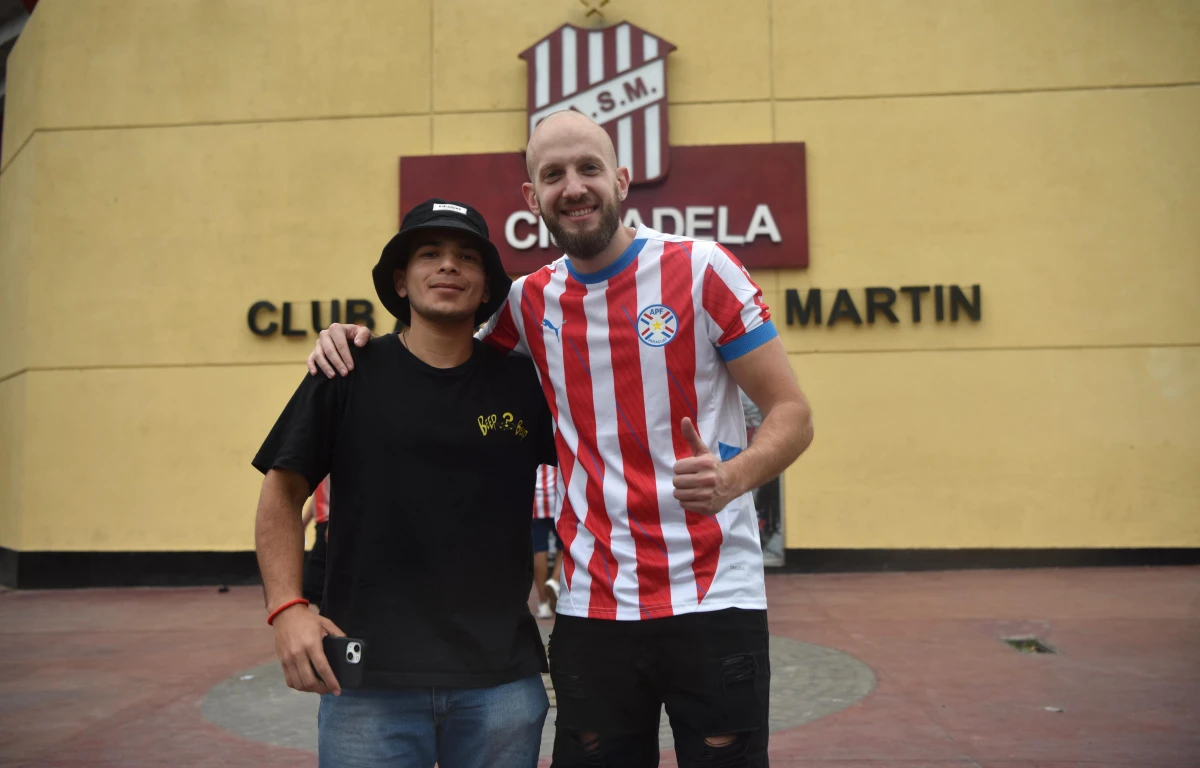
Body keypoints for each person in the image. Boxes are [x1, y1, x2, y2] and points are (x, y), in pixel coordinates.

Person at [309, 111, 815, 768]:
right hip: (591, 606)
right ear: (533, 197)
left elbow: (792, 413)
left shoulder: (703, 269)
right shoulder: (526, 302)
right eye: (553, 175)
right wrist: (356, 342)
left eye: (588, 169)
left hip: (714, 595)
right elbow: (441, 361)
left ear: (622, 179)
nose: (572, 187)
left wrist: (736, 475)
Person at [254, 199, 557, 768]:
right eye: (430, 253)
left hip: (500, 685)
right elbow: (281, 492)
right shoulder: (346, 372)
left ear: (487, 285)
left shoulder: (524, 384)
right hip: (367, 684)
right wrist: (288, 608)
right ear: (401, 277)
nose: (448, 266)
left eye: (467, 256)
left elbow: (597, 464)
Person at [531, 463, 563, 618]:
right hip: (557, 496)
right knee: (564, 545)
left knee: (539, 549)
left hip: (535, 498)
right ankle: (555, 579)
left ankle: (543, 603)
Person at [300, 474, 331, 606]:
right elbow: (317, 498)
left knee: (313, 584)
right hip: (322, 523)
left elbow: (345, 493)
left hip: (329, 523)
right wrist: (303, 523)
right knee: (316, 585)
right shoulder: (321, 470)